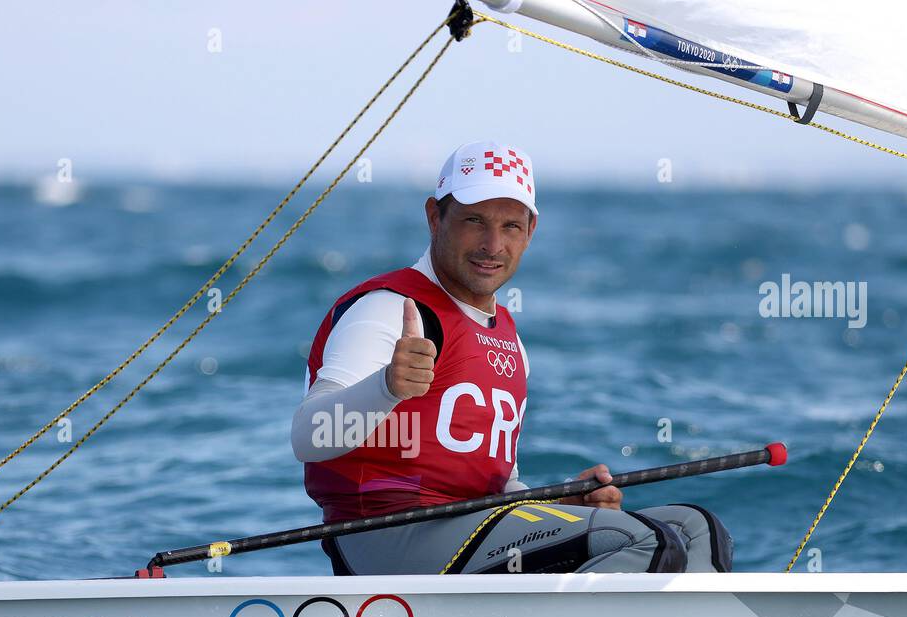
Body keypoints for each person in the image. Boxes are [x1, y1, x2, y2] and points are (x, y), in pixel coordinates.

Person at [291, 140, 732, 575]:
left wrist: (560, 507)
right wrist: (387, 387)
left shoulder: (510, 342)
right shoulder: (390, 308)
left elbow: (499, 486)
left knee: (697, 529)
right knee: (641, 539)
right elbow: (309, 437)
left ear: (530, 231)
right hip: (387, 538)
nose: (492, 244)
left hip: (470, 533)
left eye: (510, 227)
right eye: (474, 221)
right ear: (434, 217)